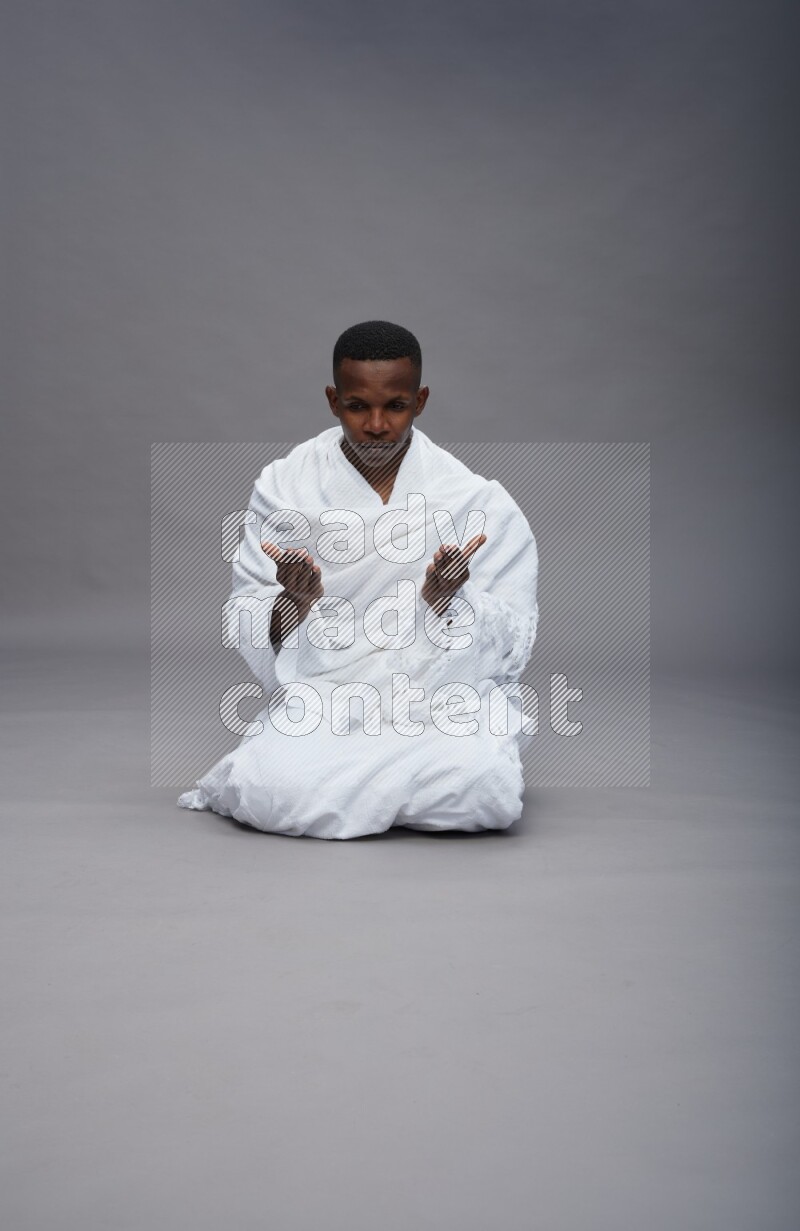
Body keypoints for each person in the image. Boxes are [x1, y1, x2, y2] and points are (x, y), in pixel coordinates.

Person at [177, 320, 539, 839]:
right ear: (332, 400)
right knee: (274, 790)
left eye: (395, 406)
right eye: (356, 406)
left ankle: (364, 785)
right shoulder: (285, 488)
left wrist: (445, 603)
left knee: (484, 790)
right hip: (328, 694)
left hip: (436, 696)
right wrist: (294, 603)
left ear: (421, 400)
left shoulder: (474, 500)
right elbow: (246, 614)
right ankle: (393, 787)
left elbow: (510, 645)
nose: (375, 425)